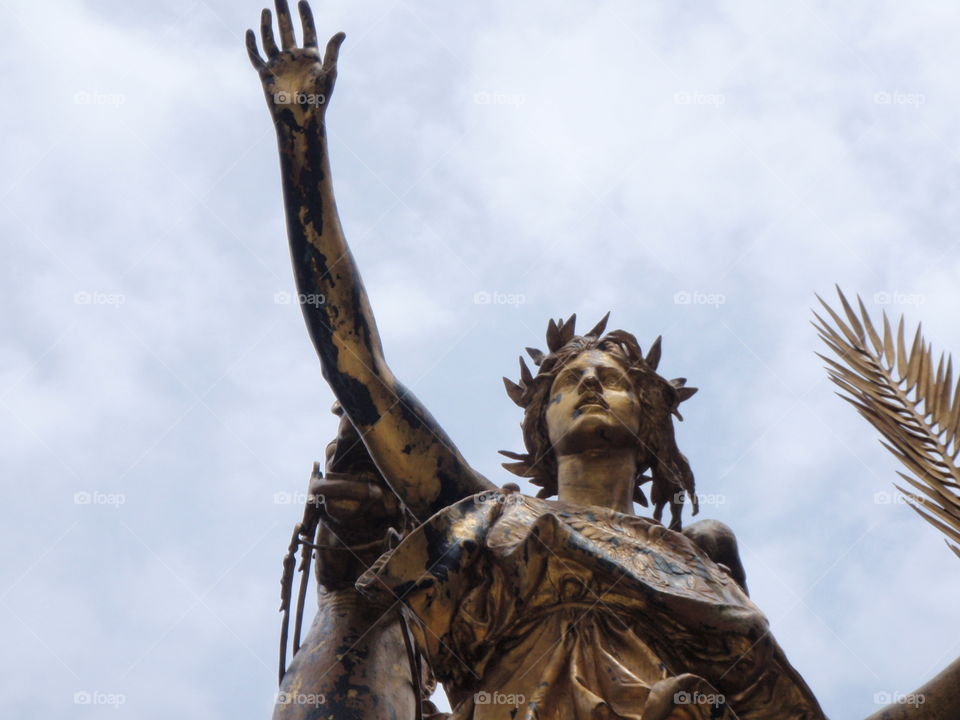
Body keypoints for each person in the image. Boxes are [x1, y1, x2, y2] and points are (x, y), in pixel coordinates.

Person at [246, 3, 826, 717]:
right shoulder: (486, 517)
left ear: (648, 423)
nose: (588, 382)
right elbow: (354, 364)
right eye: (568, 383)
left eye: (612, 381)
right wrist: (301, 139)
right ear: (538, 426)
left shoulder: (700, 570)